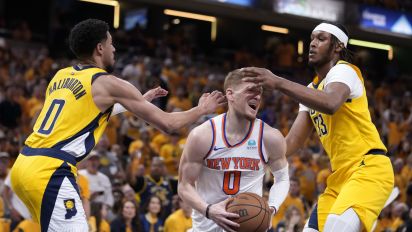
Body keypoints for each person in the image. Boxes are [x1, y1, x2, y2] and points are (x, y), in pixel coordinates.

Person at [10, 18, 225, 231]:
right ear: (100, 48)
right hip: (50, 170)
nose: (114, 49)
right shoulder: (109, 83)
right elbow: (168, 124)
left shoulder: (60, 76)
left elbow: (88, 112)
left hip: (23, 165)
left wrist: (140, 101)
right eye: (111, 43)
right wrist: (201, 109)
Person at [242, 22, 394, 232]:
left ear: (338, 46)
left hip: (368, 168)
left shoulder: (345, 71)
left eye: (321, 39)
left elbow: (330, 103)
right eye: (312, 38)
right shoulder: (311, 90)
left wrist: (278, 82)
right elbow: (292, 143)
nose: (312, 44)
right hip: (339, 178)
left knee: (336, 227)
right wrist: (254, 159)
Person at [178, 69, 290, 232]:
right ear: (230, 94)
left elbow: (282, 178)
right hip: (206, 227)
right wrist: (208, 210)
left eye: (259, 92)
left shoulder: (270, 137)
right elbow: (184, 185)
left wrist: (271, 207)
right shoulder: (202, 135)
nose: (257, 96)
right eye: (250, 90)